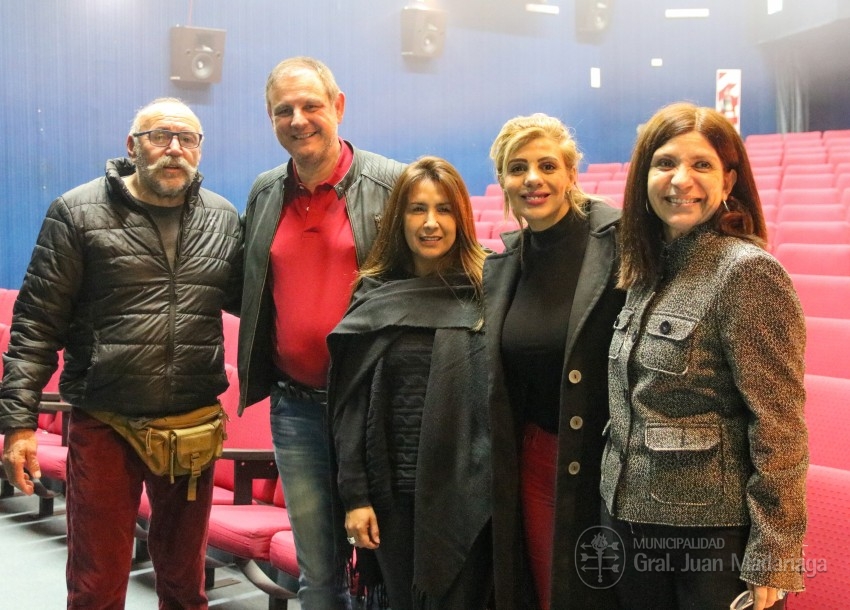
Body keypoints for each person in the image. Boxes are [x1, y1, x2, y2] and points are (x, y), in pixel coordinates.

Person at [0, 97, 243, 609]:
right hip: (106, 422)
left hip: (192, 426)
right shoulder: (76, 212)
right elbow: (37, 323)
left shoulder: (224, 219)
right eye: (160, 136)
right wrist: (18, 425)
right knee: (96, 585)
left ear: (200, 151)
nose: (174, 148)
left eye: (188, 138)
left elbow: (260, 309)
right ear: (132, 146)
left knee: (184, 586)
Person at [600, 102, 808, 610]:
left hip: (710, 536)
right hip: (627, 517)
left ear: (729, 179)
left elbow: (780, 427)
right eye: (665, 163)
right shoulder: (644, 269)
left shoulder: (747, 273)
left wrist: (772, 556)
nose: (680, 180)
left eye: (702, 165)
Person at [237, 56, 405, 609]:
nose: (298, 119)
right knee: (318, 576)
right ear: (270, 118)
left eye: (311, 105)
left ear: (338, 107)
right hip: (297, 409)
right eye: (283, 110)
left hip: (376, 410)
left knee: (388, 569)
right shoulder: (265, 192)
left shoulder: (391, 185)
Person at [328, 156, 492, 610]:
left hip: (468, 489)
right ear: (398, 217)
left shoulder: (489, 289)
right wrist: (356, 497)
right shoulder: (373, 295)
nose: (431, 223)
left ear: (462, 217)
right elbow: (350, 410)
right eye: (417, 209)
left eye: (444, 209)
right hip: (393, 494)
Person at [485, 113, 624, 610]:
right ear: (502, 180)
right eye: (517, 168)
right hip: (540, 459)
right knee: (549, 595)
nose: (533, 179)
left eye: (547, 165)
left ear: (570, 173)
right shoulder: (505, 263)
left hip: (613, 466)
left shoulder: (619, 243)